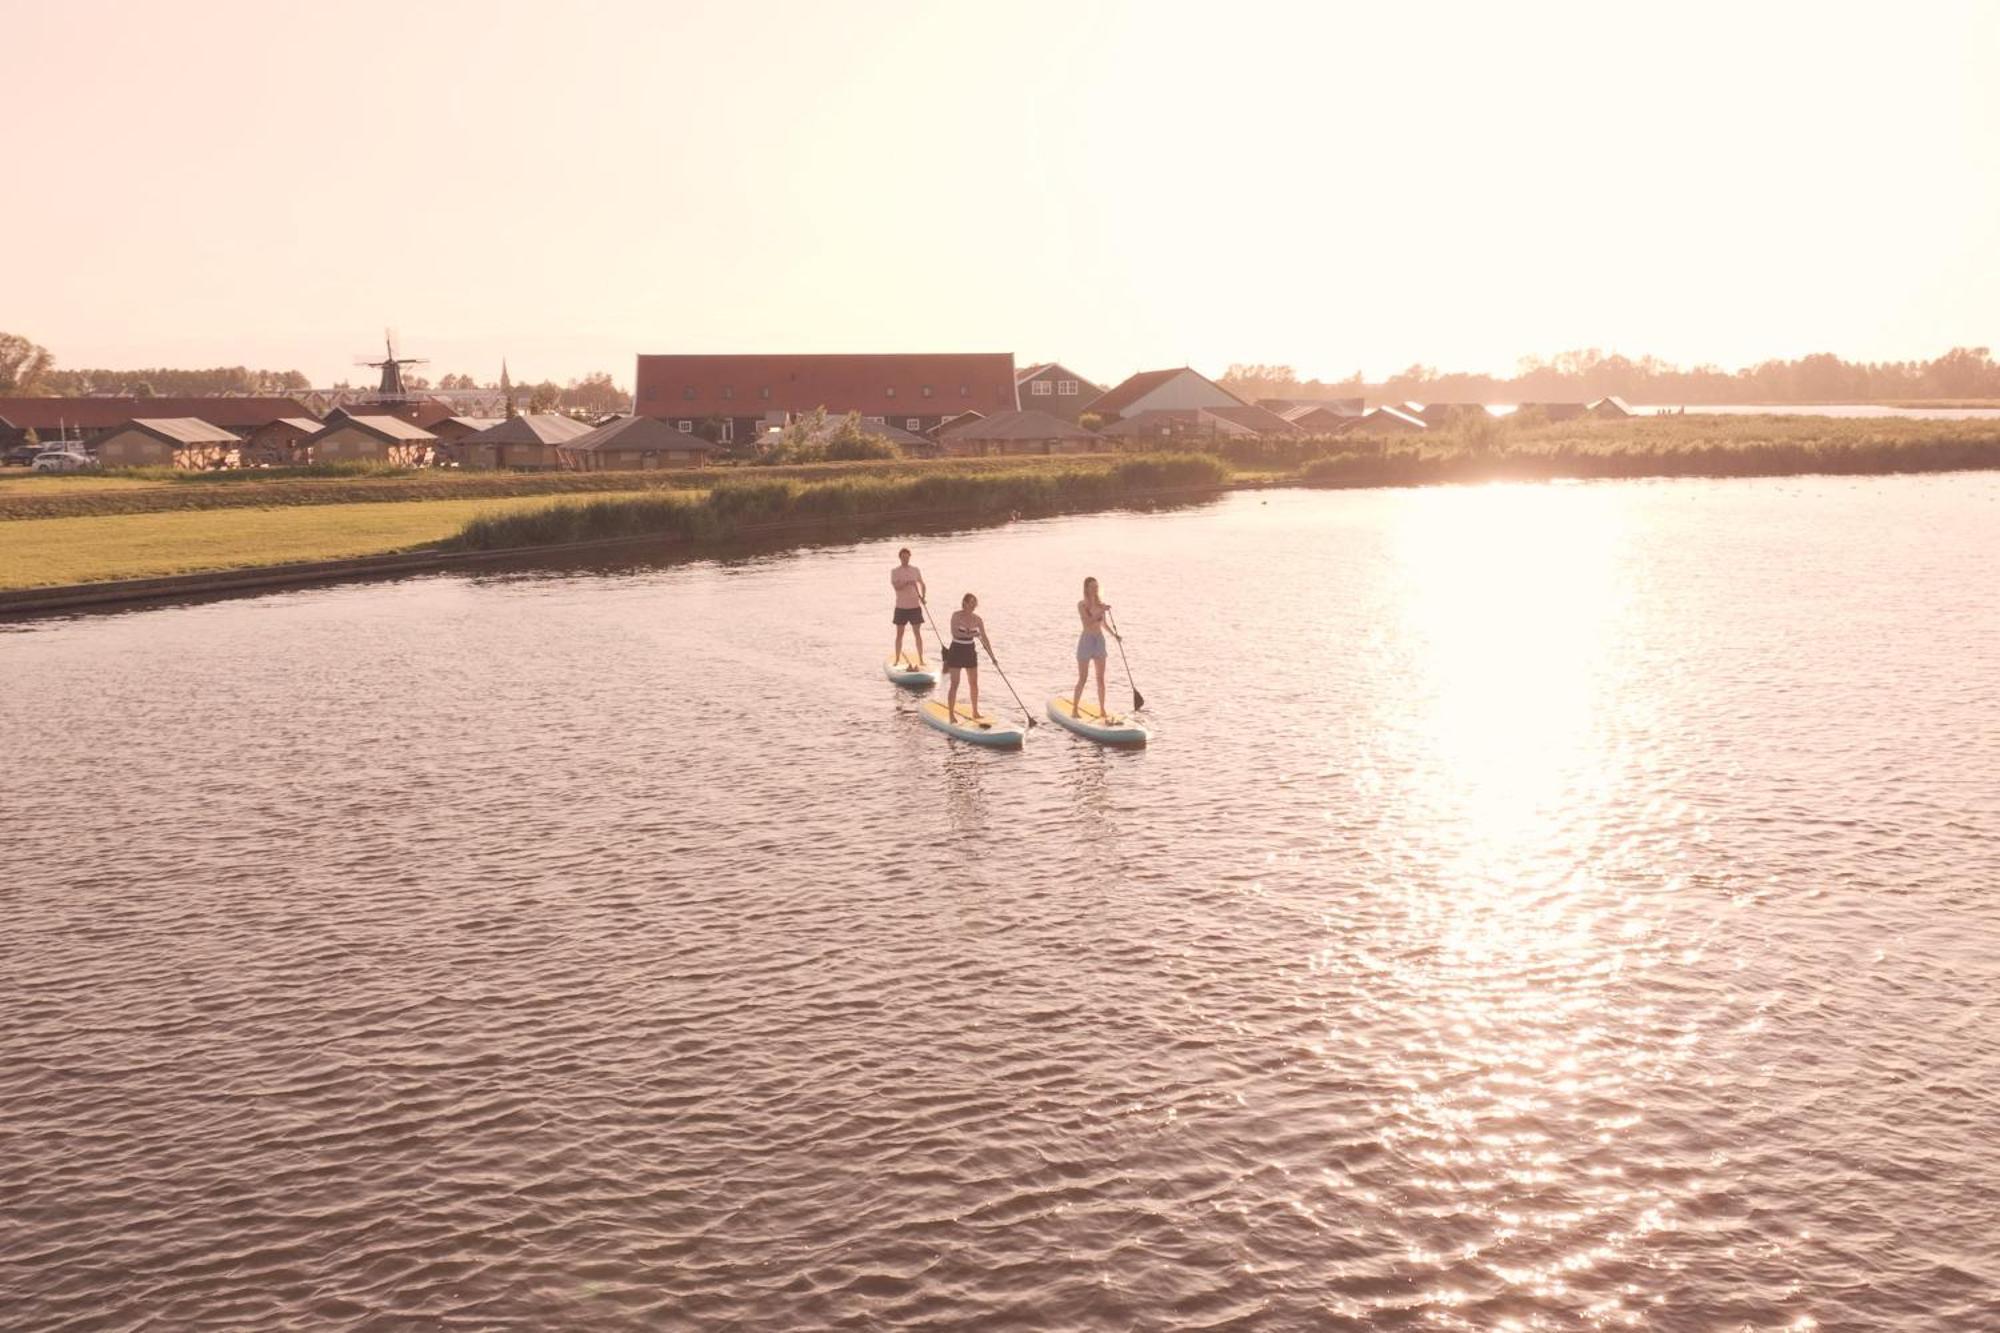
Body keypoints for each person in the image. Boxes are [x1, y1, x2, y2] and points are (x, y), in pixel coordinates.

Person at [944, 593, 994, 723]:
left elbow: (984, 637)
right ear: (965, 603)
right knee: (955, 683)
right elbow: (955, 632)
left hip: (970, 650)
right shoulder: (956, 616)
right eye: (971, 603)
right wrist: (972, 633)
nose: (973, 606)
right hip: (956, 650)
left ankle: (975, 711)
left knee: (974, 683)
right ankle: (951, 715)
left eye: (975, 603)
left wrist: (993, 656)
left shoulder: (977, 619)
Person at [1070, 576, 1114, 720]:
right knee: (1083, 678)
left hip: (1099, 641)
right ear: (1087, 589)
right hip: (1086, 641)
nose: (1095, 589)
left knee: (1101, 678)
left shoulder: (1101, 605)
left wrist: (1115, 635)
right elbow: (1088, 623)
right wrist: (1101, 612)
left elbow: (1104, 624)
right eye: (1092, 587)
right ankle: (1075, 710)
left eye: (1096, 586)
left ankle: (1102, 710)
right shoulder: (1081, 605)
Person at [890, 547, 927, 666]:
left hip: (915, 606)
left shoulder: (915, 570)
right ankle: (896, 659)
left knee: (917, 633)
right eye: (903, 557)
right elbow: (896, 587)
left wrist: (923, 597)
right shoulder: (895, 571)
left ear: (909, 557)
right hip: (901, 607)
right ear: (900, 558)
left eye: (907, 557)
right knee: (899, 634)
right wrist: (907, 582)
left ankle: (921, 659)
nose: (905, 559)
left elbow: (922, 584)